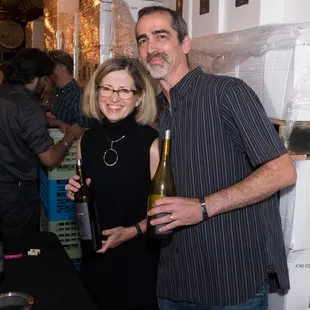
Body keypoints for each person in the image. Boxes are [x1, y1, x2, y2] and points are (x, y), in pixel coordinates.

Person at [135, 5, 297, 310]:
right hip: (175, 280)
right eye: (143, 40)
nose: (151, 47)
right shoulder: (161, 112)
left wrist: (203, 207)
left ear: (185, 43)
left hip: (229, 284)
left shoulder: (226, 93)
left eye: (160, 36)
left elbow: (282, 172)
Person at [66, 56, 160, 310]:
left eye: (124, 90)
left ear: (139, 97)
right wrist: (75, 192)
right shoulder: (85, 140)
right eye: (106, 88)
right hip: (95, 255)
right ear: (96, 92)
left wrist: (131, 232)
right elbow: (91, 196)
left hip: (138, 260)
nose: (113, 98)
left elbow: (166, 212)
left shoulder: (151, 143)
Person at [0, 48, 84, 239]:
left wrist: (56, 122)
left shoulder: (4, 92)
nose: (47, 84)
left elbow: (17, 121)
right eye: (45, 79)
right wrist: (70, 135)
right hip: (17, 192)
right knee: (19, 245)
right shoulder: (29, 108)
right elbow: (49, 158)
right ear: (35, 78)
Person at [47, 50, 93, 132]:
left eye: (50, 69)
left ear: (61, 69)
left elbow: (83, 131)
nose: (48, 73)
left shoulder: (78, 97)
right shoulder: (57, 92)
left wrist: (58, 122)